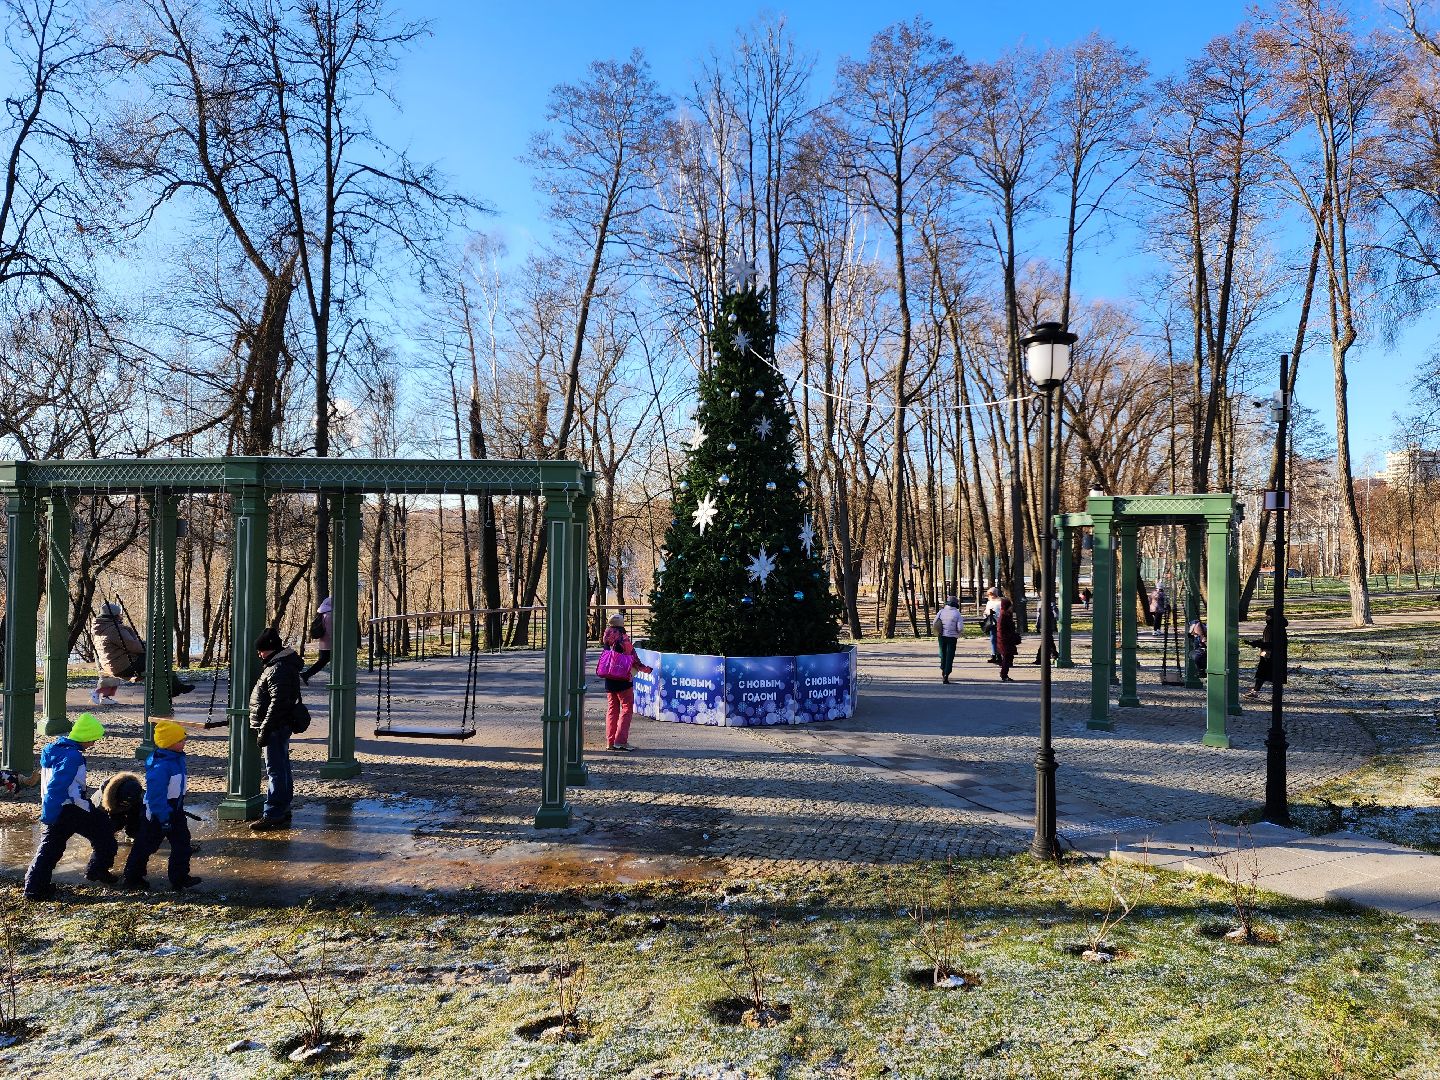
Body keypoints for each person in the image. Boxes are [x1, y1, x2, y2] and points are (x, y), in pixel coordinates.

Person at [24, 712, 119, 901]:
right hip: (67, 808)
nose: (93, 744)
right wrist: (50, 815)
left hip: (60, 807)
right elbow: (57, 786)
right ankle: (96, 870)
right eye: (93, 740)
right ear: (85, 737)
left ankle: (35, 887)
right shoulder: (72, 757)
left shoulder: (56, 749)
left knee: (49, 849)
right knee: (103, 831)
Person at [123, 719, 200, 892]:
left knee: (182, 843)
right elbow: (156, 796)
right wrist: (164, 818)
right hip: (158, 813)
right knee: (146, 845)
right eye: (180, 740)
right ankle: (133, 876)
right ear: (170, 743)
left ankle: (180, 877)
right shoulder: (161, 766)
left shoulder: (175, 758)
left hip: (174, 809)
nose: (184, 742)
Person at [248, 627, 304, 830]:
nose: (259, 654)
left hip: (275, 726)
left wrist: (265, 728)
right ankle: (282, 807)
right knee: (281, 767)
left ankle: (273, 812)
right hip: (279, 725)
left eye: (261, 650)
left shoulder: (278, 668)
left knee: (275, 770)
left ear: (269, 649)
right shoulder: (283, 665)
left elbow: (278, 702)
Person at [90, 602, 193, 705]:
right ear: (114, 616)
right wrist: (151, 646)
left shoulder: (100, 629)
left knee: (155, 661)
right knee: (159, 659)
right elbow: (135, 647)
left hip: (111, 665)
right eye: (119, 614)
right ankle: (173, 689)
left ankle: (173, 688)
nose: (121, 616)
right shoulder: (115, 630)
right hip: (124, 666)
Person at [599, 614, 652, 752]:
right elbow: (632, 658)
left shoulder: (606, 637)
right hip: (622, 677)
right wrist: (645, 668)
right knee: (627, 708)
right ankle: (621, 741)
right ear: (621, 624)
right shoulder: (623, 638)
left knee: (612, 709)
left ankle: (610, 742)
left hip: (609, 677)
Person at [1245, 608, 1288, 699]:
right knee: (1262, 674)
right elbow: (1267, 639)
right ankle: (1256, 691)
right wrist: (1256, 642)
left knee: (1274, 675)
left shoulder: (1277, 627)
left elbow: (1275, 643)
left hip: (1274, 655)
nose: (1266, 617)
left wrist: (1258, 644)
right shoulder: (1271, 626)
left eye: (1268, 615)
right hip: (1267, 654)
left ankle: (1276, 696)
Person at [301, 597, 333, 686]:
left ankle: (306, 674)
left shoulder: (322, 614)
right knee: (323, 661)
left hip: (324, 643)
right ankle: (306, 675)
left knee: (322, 661)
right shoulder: (329, 615)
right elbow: (331, 632)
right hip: (330, 644)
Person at [934, 596, 964, 684]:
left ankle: (943, 668)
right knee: (950, 655)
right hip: (952, 637)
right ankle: (947, 674)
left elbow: (934, 623)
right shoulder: (957, 613)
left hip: (942, 636)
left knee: (943, 653)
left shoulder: (941, 612)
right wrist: (959, 632)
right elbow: (960, 627)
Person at [997, 597, 1021, 683]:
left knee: (1009, 657)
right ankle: (1004, 675)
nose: (1011, 607)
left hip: (1007, 640)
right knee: (1007, 658)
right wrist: (1010, 636)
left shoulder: (1007, 615)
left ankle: (1004, 674)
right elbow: (1002, 630)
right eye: (1010, 606)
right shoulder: (1004, 616)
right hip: (1005, 640)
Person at [981, 587, 1004, 663]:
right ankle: (994, 654)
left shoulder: (1000, 602)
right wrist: (986, 614)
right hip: (991, 622)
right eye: (989, 594)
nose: (990, 596)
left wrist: (996, 614)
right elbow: (986, 611)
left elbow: (1002, 612)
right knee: (993, 639)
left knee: (999, 639)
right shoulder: (989, 602)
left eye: (992, 594)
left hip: (998, 622)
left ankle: (999, 655)